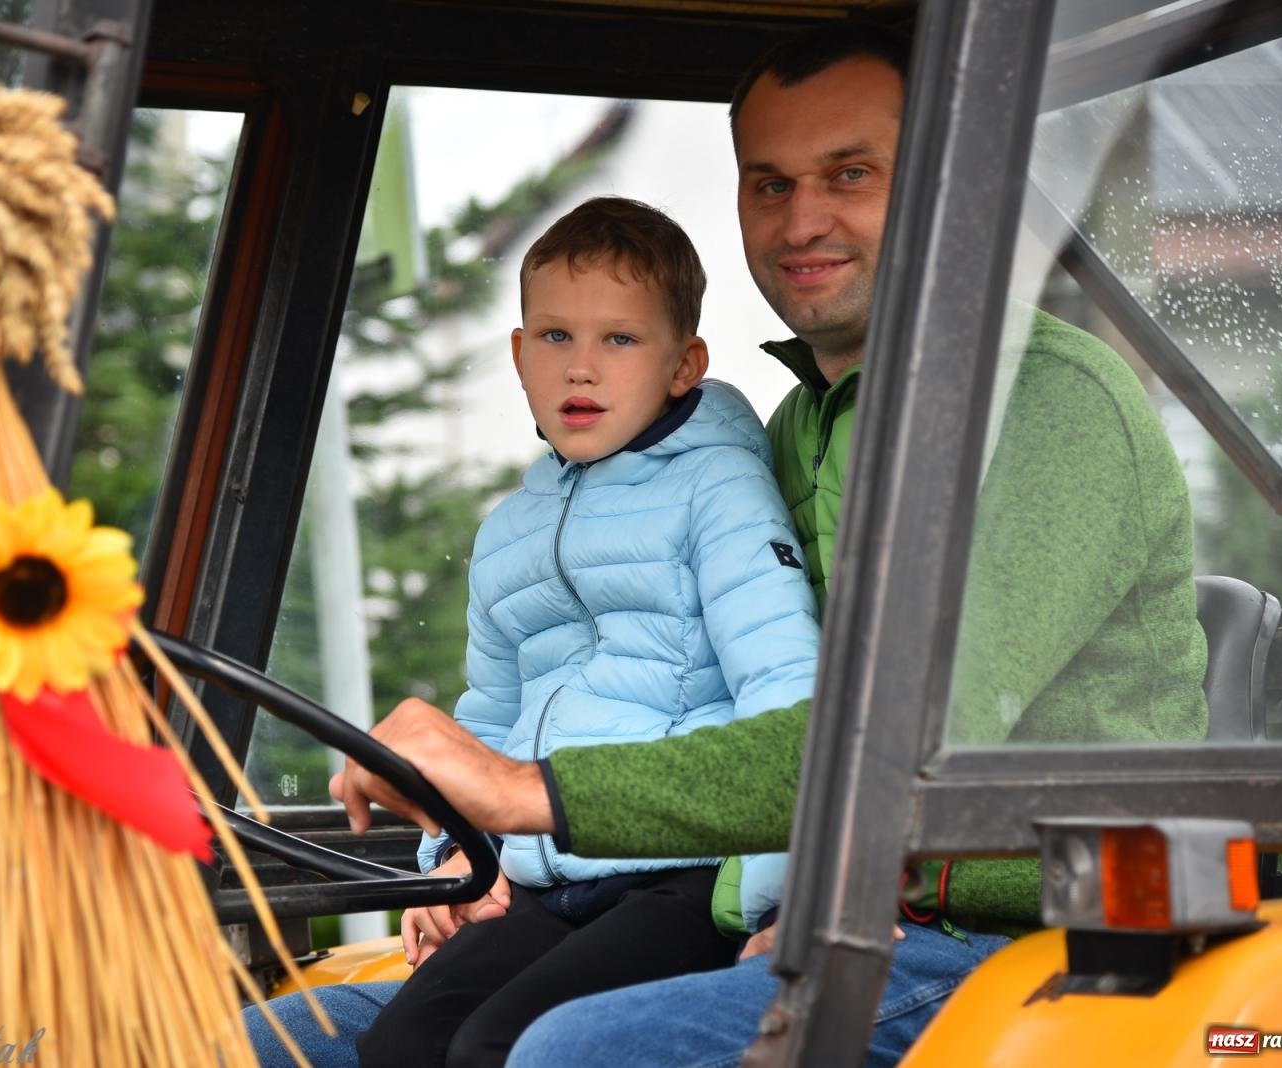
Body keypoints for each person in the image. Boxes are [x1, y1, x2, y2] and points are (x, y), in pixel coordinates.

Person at [296, 22, 1209, 1067]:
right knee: (261, 1041)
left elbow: (895, 742)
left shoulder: (1045, 401)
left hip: (1009, 931)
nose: (802, 220)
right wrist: (480, 861)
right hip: (784, 896)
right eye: (770, 184)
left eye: (851, 173)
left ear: (954, 181)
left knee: (562, 1054)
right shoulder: (789, 431)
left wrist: (524, 792)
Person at [249, 196, 821, 1068]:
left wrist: (779, 906)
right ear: (519, 355)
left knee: (499, 1046)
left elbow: (787, 693)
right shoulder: (510, 530)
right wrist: (458, 856)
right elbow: (490, 718)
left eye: (619, 339)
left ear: (684, 364)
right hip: (546, 879)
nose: (580, 368)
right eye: (555, 337)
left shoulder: (721, 492)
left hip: (682, 874)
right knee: (401, 1043)